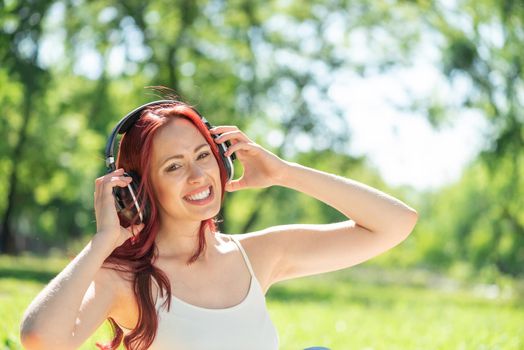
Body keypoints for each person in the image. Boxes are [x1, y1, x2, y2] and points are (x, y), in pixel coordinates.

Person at [19, 98, 418, 350]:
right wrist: (104, 240)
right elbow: (41, 339)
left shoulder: (256, 255)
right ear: (139, 188)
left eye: (203, 156)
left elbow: (395, 224)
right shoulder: (123, 278)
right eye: (174, 166)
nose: (197, 176)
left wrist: (284, 172)